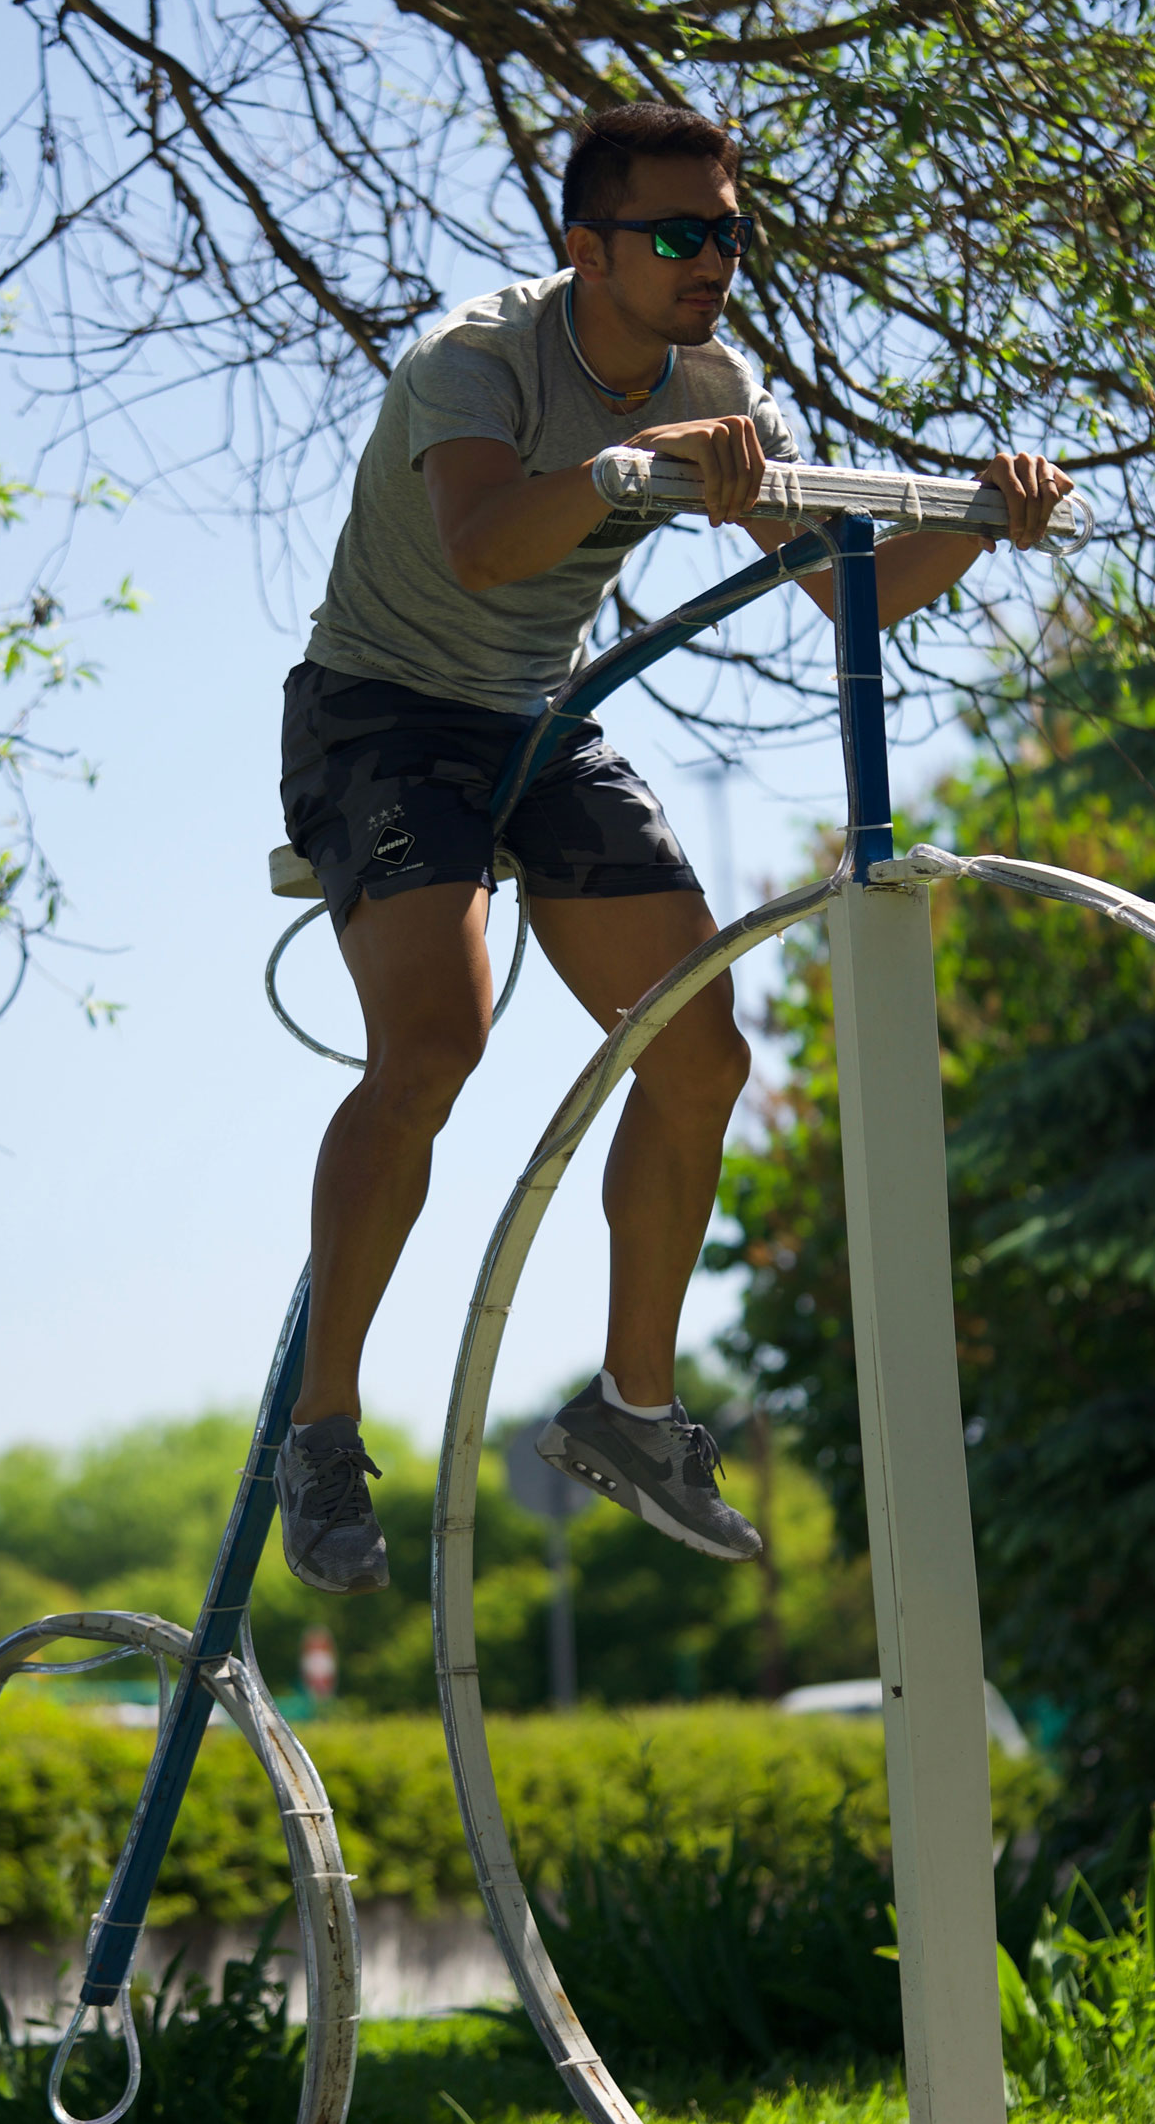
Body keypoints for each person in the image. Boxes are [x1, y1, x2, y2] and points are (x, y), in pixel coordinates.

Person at [274, 101, 1071, 1593]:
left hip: (533, 716)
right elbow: (484, 543)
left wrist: (979, 522)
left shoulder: (714, 379)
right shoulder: (480, 359)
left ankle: (633, 1412)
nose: (714, 259)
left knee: (701, 1053)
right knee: (438, 1041)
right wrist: (640, 458)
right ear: (589, 248)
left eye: (730, 232)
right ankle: (321, 1429)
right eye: (680, 234)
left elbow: (852, 593)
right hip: (379, 716)